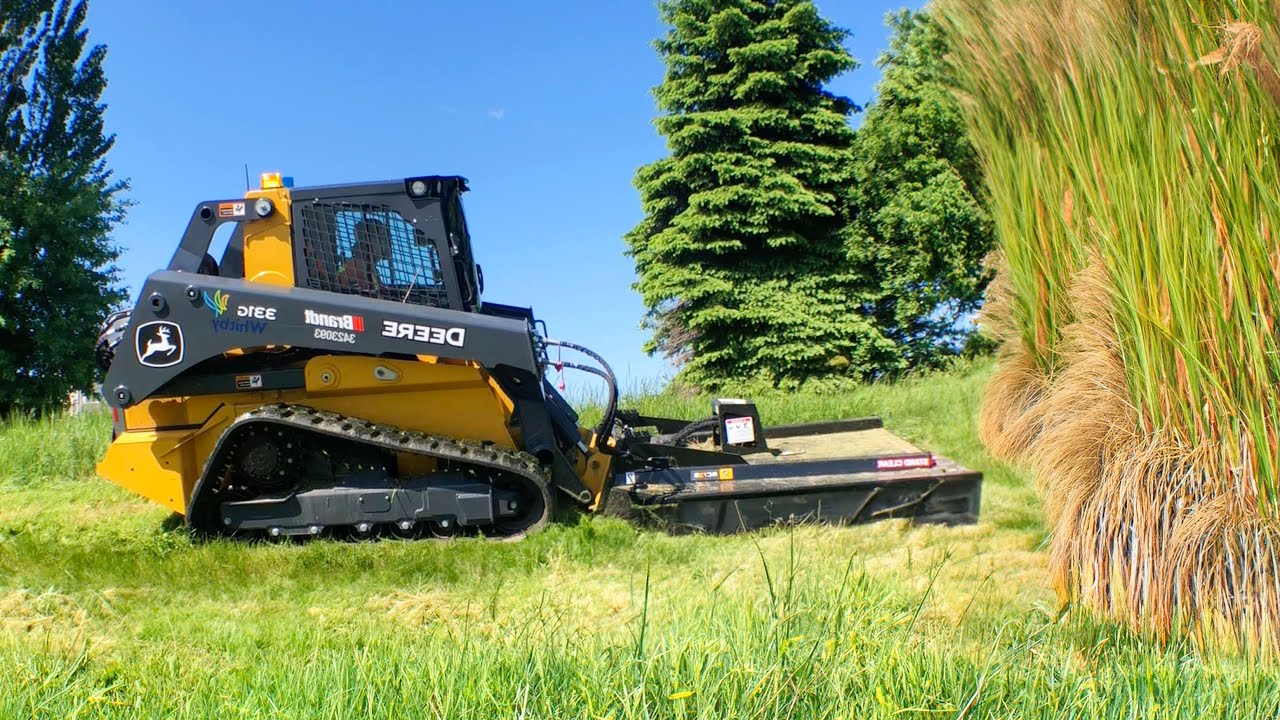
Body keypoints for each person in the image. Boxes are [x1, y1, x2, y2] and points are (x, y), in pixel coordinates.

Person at [337, 219, 392, 294]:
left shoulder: (369, 268)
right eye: (382, 238)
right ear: (369, 241)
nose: (387, 244)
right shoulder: (354, 272)